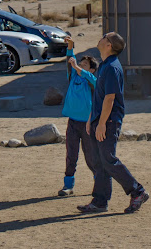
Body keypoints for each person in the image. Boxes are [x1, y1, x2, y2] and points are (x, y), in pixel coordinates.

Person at [76, 31, 149, 214]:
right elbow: (99, 97)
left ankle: (137, 191)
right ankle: (100, 201)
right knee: (99, 161)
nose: (100, 38)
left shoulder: (112, 67)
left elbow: (110, 98)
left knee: (108, 159)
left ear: (109, 45)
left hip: (108, 121)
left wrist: (101, 124)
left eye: (104, 37)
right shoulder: (104, 65)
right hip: (98, 120)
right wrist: (90, 119)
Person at [58, 36, 98, 196]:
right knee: (71, 155)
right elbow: (70, 60)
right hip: (73, 123)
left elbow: (89, 77)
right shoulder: (73, 77)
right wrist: (70, 47)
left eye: (84, 65)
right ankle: (68, 185)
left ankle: (99, 183)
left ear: (92, 69)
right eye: (80, 64)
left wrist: (77, 66)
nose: (79, 66)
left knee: (91, 156)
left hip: (88, 124)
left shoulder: (92, 80)